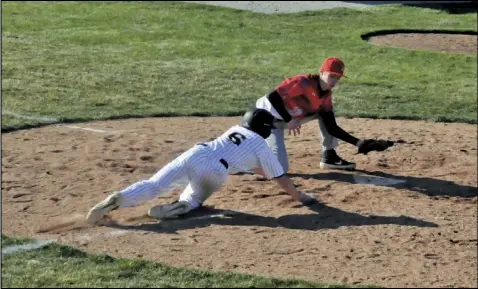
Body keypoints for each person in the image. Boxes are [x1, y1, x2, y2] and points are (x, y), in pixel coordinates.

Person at [86, 108, 317, 225]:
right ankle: (180, 207)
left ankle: (117, 199)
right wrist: (303, 197)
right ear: (265, 127)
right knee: (194, 199)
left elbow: (255, 166)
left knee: (154, 184)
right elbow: (281, 179)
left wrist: (263, 171)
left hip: (196, 153)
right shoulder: (261, 145)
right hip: (215, 172)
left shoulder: (234, 130)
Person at [254, 57, 370, 173]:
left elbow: (331, 127)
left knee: (325, 114)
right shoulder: (303, 82)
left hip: (286, 119)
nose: (334, 81)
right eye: (332, 76)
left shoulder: (326, 96)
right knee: (280, 169)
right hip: (265, 119)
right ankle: (244, 163)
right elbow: (273, 96)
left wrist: (359, 143)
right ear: (321, 73)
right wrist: (289, 119)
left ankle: (329, 157)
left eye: (338, 78)